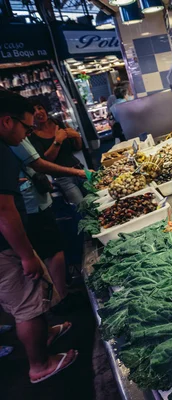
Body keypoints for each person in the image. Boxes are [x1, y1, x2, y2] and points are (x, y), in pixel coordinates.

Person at [0, 90, 77, 383]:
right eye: (26, 127)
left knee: (32, 298)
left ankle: (43, 336)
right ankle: (39, 365)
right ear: (8, 121)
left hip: (11, 242)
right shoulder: (1, 151)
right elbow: (4, 211)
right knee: (26, 308)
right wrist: (26, 255)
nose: (28, 134)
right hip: (5, 249)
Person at [11, 134, 87, 299]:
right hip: (33, 204)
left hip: (27, 204)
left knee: (45, 250)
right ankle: (61, 298)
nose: (25, 133)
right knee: (52, 249)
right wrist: (78, 172)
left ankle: (56, 296)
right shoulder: (13, 138)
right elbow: (38, 163)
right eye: (26, 127)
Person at [28, 100, 86, 205]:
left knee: (96, 200)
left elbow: (77, 147)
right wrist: (57, 141)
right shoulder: (32, 136)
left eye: (40, 108)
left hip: (80, 170)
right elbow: (46, 161)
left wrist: (77, 136)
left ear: (45, 109)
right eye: (33, 111)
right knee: (83, 209)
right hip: (63, 179)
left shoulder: (57, 123)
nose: (38, 112)